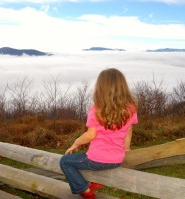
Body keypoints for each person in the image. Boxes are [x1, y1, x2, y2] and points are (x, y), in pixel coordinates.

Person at [59, 68, 138, 199]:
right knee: (93, 160)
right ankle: (96, 182)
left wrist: (75, 143)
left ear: (101, 88)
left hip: (97, 160)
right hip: (117, 159)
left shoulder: (96, 110)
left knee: (65, 161)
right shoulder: (131, 109)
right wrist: (127, 149)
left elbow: (90, 135)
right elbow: (129, 131)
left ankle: (85, 191)